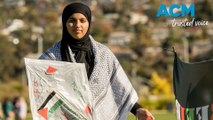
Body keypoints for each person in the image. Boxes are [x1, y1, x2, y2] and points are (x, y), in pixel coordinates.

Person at [39, 2, 154, 120]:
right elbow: (40, 90)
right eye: (72, 20)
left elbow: (119, 87)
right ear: (64, 23)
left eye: (82, 20)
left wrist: (137, 110)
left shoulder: (103, 54)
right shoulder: (51, 58)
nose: (77, 25)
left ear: (89, 23)